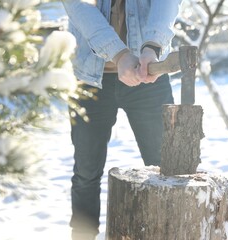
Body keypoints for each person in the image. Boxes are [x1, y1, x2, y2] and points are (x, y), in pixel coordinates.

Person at [61, 0, 182, 239]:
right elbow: (80, 6)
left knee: (167, 168)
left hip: (149, 74)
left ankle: (169, 234)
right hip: (89, 78)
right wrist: (119, 53)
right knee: (86, 172)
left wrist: (152, 46)